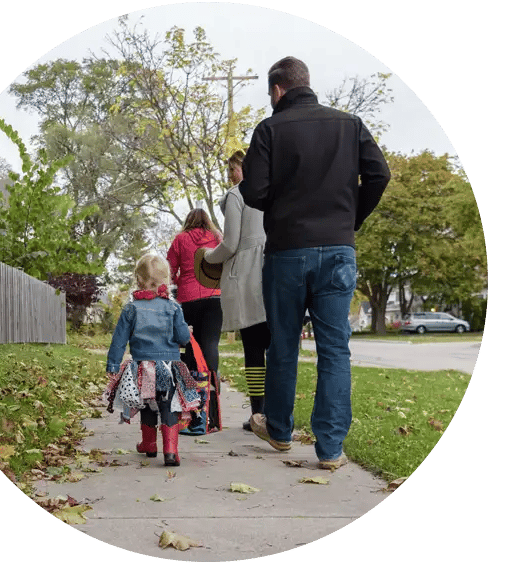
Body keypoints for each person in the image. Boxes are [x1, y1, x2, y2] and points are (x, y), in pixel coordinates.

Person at [239, 56, 390, 469]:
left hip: (287, 250)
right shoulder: (350, 124)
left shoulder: (269, 129)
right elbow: (379, 175)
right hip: (338, 250)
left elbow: (252, 192)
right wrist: (349, 219)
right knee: (335, 350)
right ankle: (330, 450)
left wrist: (283, 205)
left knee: (283, 344)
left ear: (277, 90)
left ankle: (282, 432)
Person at [102, 254, 200, 466]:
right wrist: (186, 331)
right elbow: (183, 338)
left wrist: (112, 365)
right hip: (169, 366)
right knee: (169, 405)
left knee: (147, 404)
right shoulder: (173, 307)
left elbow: (119, 340)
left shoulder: (131, 308)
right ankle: (171, 450)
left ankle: (149, 444)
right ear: (167, 280)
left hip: (143, 367)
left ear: (138, 280)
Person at [203, 150, 270, 430]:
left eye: (234, 169)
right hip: (276, 270)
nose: (230, 176)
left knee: (253, 348)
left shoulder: (236, 195)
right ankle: (278, 413)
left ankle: (258, 414)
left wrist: (206, 258)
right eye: (229, 171)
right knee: (278, 349)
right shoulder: (273, 190)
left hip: (248, 275)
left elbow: (230, 243)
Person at [167, 209, 223, 434]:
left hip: (188, 298)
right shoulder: (217, 237)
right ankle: (213, 404)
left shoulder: (180, 239)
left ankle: (192, 409)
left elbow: (169, 270)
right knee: (210, 346)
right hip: (214, 296)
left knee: (191, 349)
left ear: (188, 221)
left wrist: (182, 281)